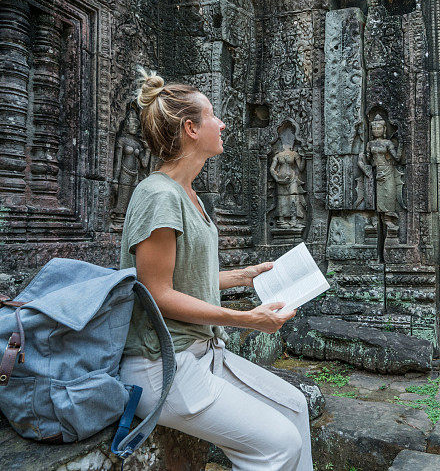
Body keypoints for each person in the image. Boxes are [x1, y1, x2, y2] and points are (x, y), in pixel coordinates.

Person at [119, 70, 312, 471]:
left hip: (203, 354)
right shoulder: (158, 195)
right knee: (279, 445)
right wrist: (244, 319)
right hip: (162, 365)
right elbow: (157, 293)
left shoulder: (190, 195)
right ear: (191, 128)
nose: (221, 123)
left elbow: (185, 280)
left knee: (295, 406)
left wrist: (244, 277)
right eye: (212, 115)